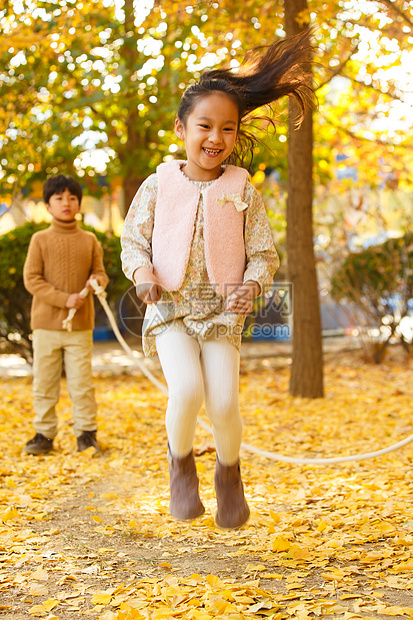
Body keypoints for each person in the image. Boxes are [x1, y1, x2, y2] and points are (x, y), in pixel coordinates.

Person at [121, 32, 313, 528]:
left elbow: (263, 253)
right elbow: (133, 242)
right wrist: (143, 275)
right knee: (186, 390)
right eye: (205, 125)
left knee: (224, 400)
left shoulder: (241, 186)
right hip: (170, 308)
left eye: (227, 129)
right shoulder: (159, 183)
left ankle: (229, 475)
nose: (215, 138)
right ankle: (180, 467)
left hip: (223, 309)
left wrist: (251, 286)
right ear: (182, 127)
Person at [23, 174, 109, 456]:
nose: (66, 203)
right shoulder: (40, 240)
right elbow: (32, 279)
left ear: (79, 204)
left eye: (72, 198)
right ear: (48, 205)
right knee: (44, 382)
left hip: (80, 327)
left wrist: (96, 282)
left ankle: (86, 434)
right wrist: (64, 299)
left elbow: (100, 273)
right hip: (46, 326)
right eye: (58, 198)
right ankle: (44, 434)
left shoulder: (90, 240)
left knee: (81, 383)